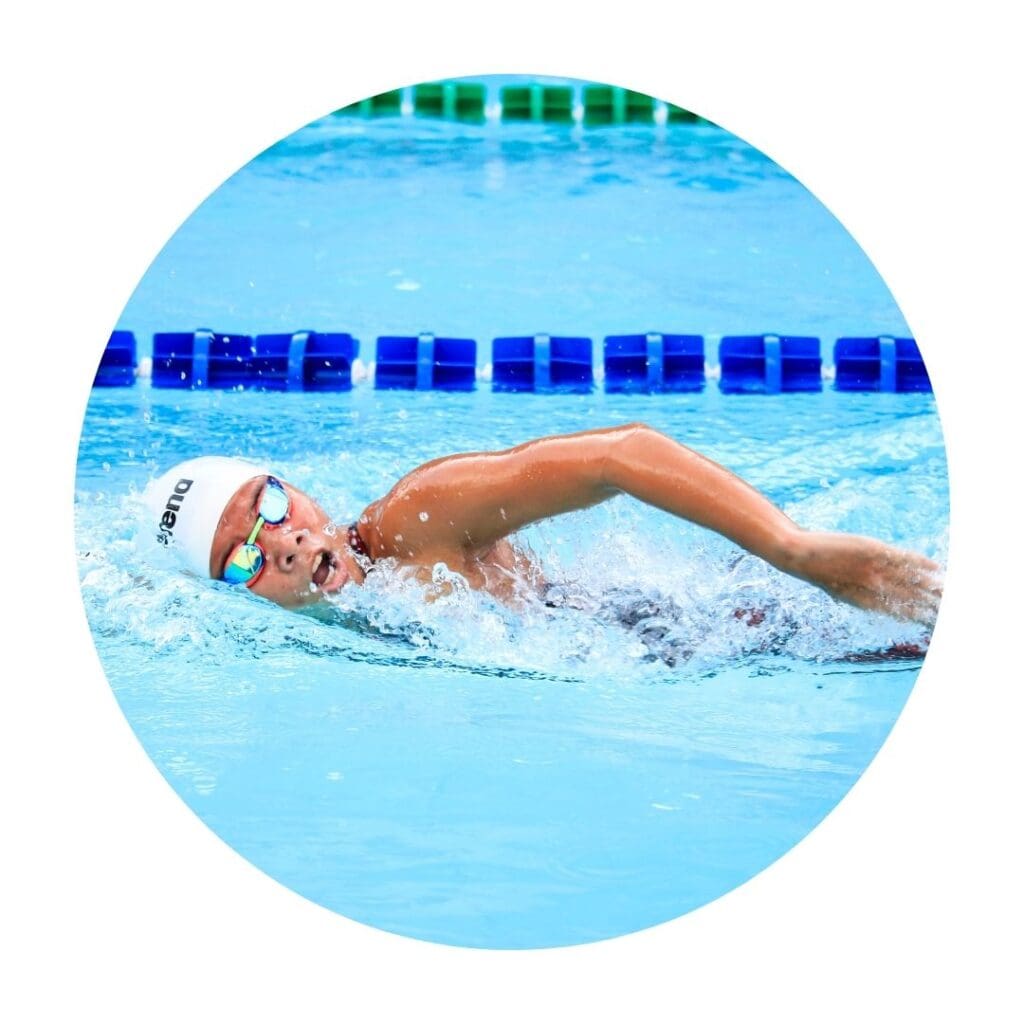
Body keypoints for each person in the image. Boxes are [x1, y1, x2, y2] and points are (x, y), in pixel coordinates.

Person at [142, 422, 942, 626]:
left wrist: (791, 551)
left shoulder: (415, 518)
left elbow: (621, 455)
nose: (281, 544)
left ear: (298, 490)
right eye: (241, 560)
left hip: (712, 628)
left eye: (271, 507)